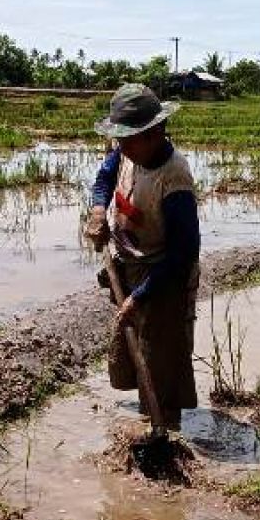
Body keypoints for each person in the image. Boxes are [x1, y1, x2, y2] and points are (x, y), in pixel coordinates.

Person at [85, 83, 200, 432]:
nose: (120, 147)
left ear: (154, 133)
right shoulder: (127, 153)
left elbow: (184, 252)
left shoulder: (173, 177)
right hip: (129, 262)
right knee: (134, 348)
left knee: (162, 356)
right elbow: (105, 176)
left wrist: (141, 295)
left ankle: (165, 427)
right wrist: (98, 209)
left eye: (127, 139)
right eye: (118, 140)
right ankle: (147, 415)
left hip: (165, 274)